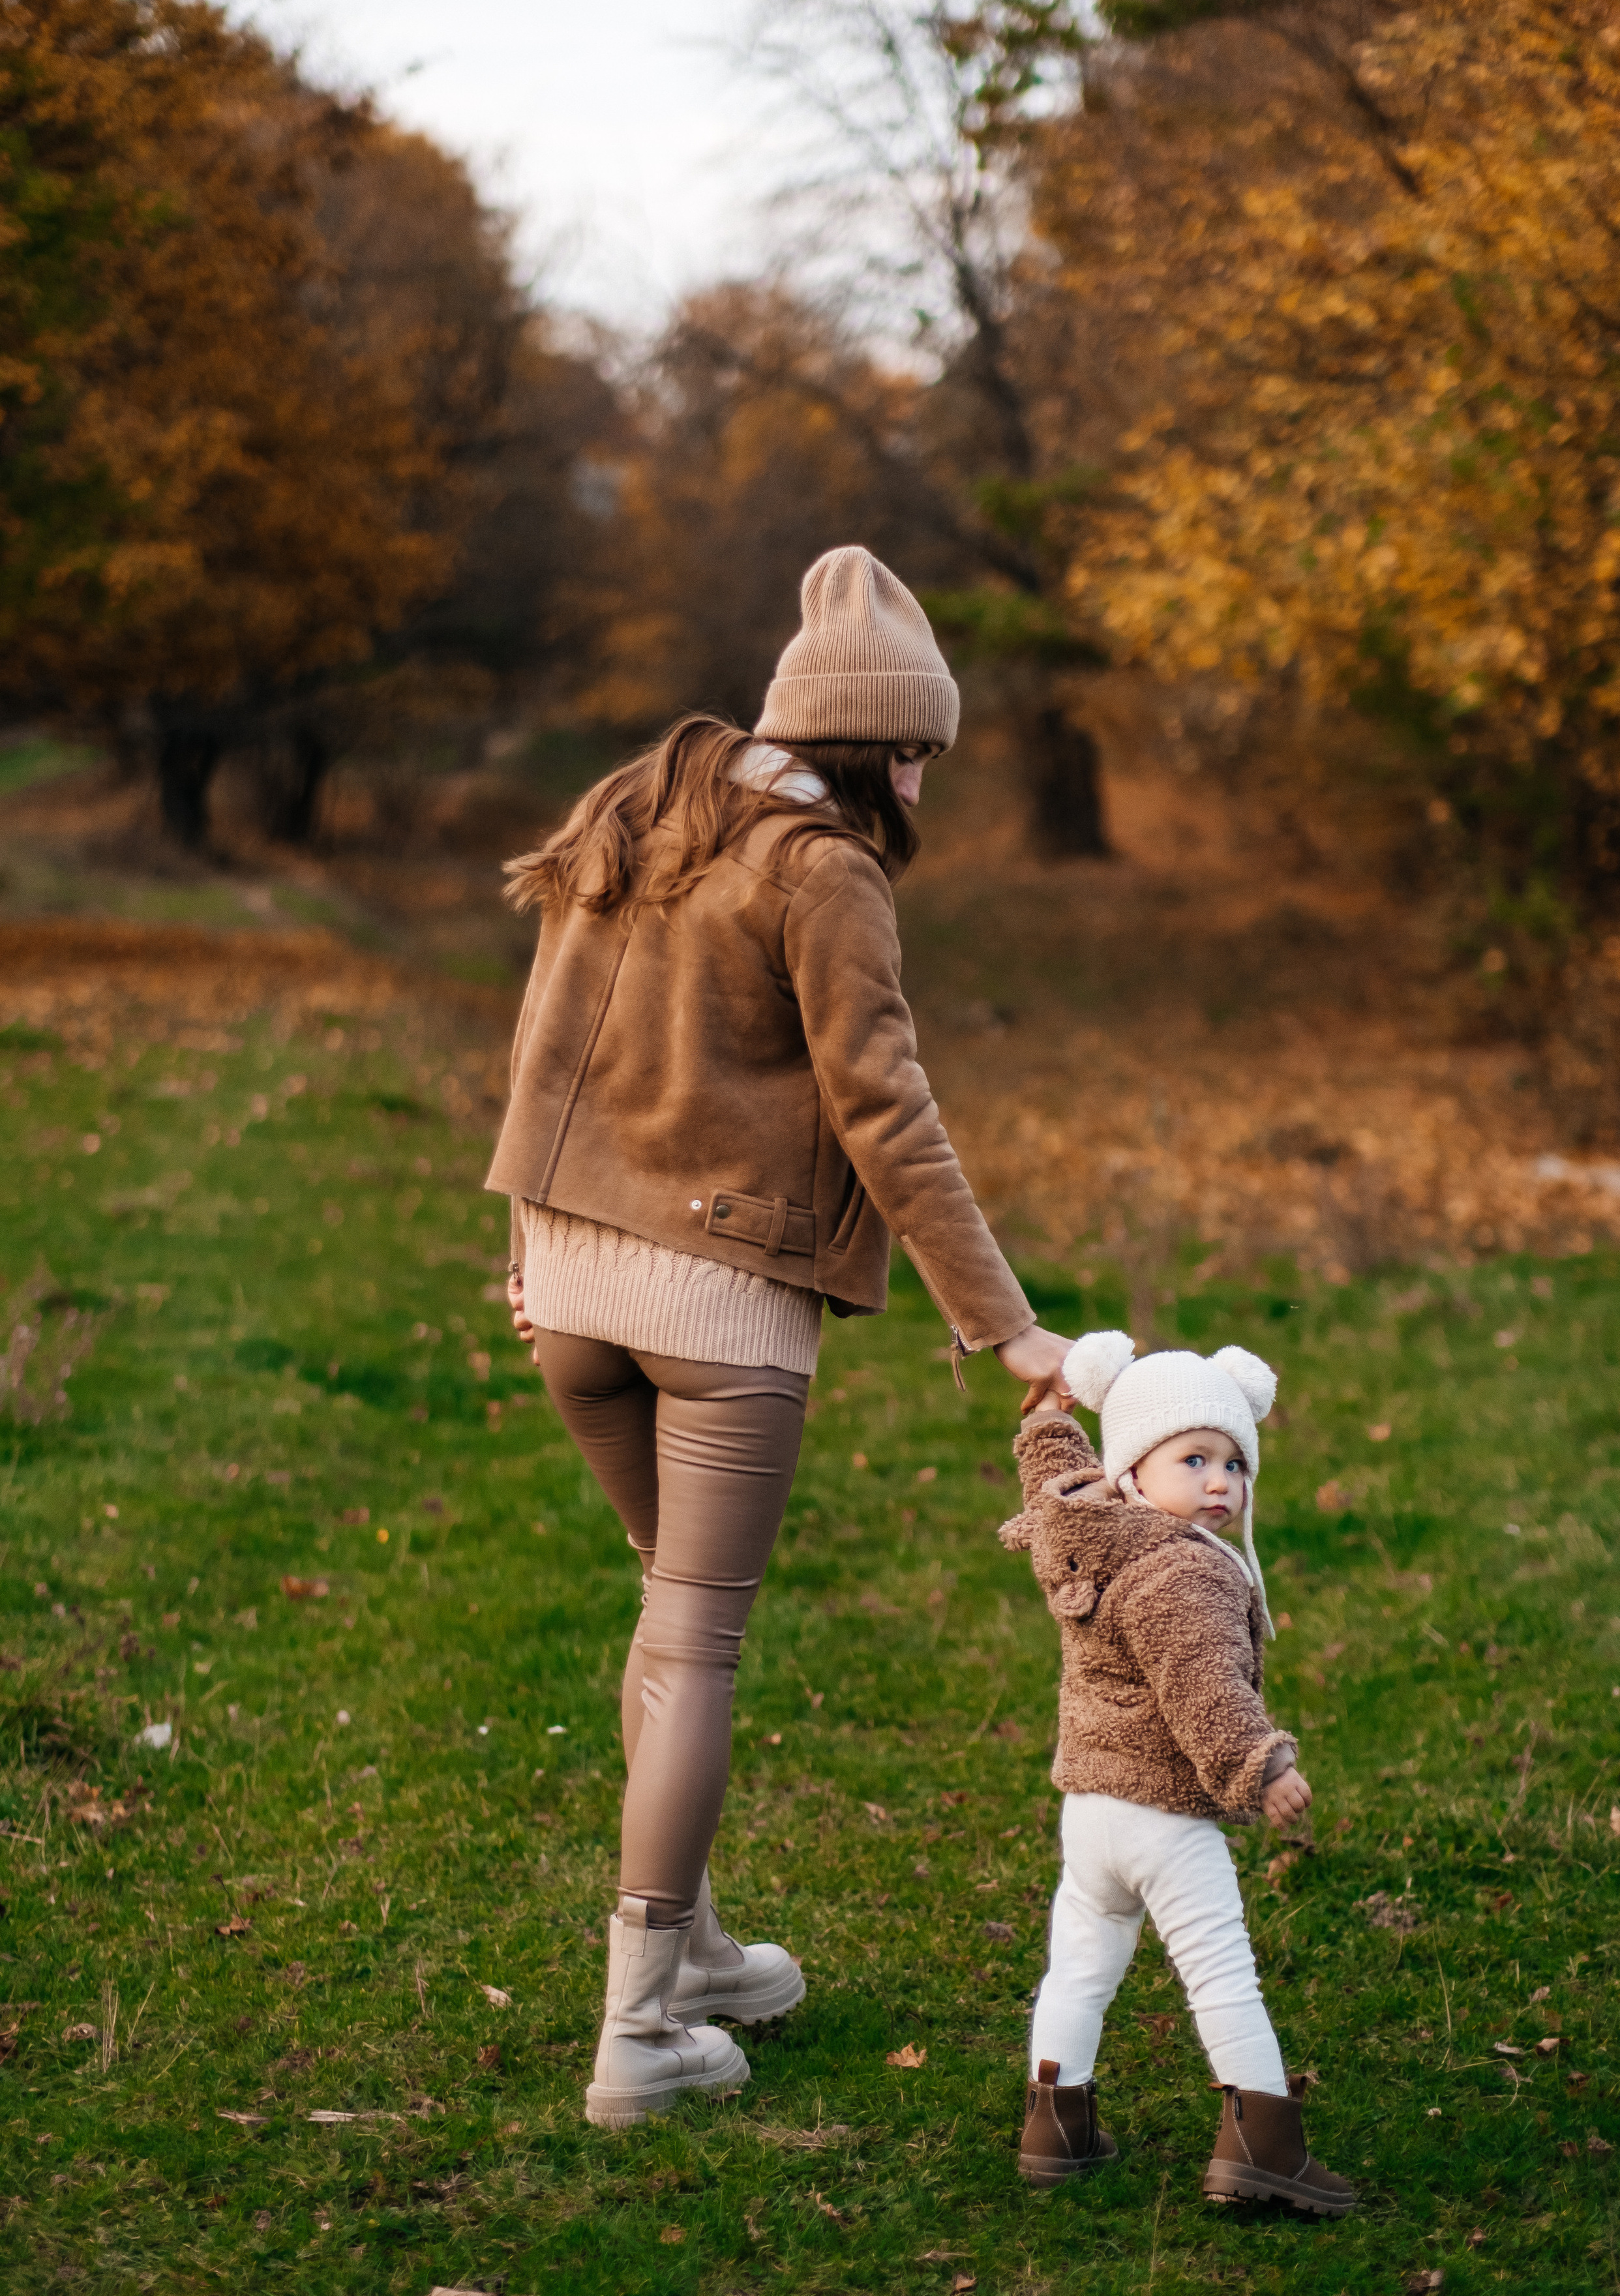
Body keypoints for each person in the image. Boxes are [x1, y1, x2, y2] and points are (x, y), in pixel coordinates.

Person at [486, 544, 1073, 2127]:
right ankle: (634, 2041)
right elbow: (883, 1106)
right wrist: (1001, 1328)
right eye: (919, 751)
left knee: (662, 1620)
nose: (925, 782)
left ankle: (690, 1950)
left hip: (570, 1294)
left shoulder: (646, 804)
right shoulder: (823, 869)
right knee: (696, 1639)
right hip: (712, 1307)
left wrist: (524, 1244)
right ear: (881, 737)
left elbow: (552, 1041)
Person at [999, 1329, 1356, 2214]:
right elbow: (1206, 1692)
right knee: (1220, 1966)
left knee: (1081, 1962)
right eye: (1193, 1458)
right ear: (1131, 1471)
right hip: (1162, 1813)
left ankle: (1057, 2120)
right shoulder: (1180, 1574)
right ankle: (1263, 2146)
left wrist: (1049, 1420)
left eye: (1235, 1465)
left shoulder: (1091, 1529)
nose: (1218, 1484)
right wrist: (1260, 1767)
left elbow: (1051, 1475)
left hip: (1091, 1809)